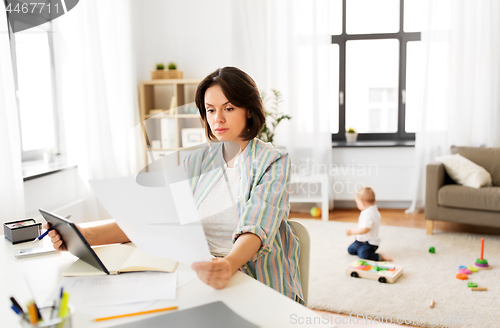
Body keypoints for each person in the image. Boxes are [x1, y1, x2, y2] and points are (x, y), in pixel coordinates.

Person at [45, 66, 305, 305]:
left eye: (229, 108)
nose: (218, 119)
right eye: (211, 110)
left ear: (249, 110)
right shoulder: (198, 161)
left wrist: (227, 264)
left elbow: (256, 227)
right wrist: (80, 235)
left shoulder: (274, 161)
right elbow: (158, 218)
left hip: (252, 278)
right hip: (196, 273)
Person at [345, 187, 392, 262]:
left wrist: (351, 232)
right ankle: (360, 249)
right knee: (350, 250)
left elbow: (365, 230)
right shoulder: (370, 210)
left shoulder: (369, 214)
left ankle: (380, 256)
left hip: (369, 243)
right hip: (360, 240)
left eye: (357, 203)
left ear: (362, 203)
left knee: (364, 256)